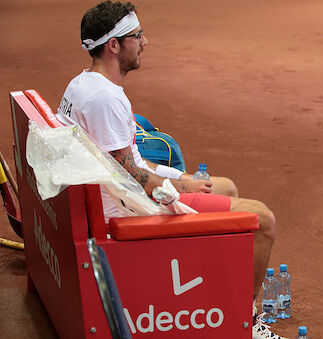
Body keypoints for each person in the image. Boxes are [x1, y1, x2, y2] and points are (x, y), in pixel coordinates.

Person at [56, 2, 286, 338]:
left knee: (227, 187)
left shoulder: (83, 84)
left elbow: (128, 160)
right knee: (264, 220)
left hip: (117, 195)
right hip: (126, 209)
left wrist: (183, 178)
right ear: (114, 45)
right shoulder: (106, 99)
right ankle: (246, 319)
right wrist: (178, 190)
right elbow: (130, 174)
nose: (145, 42)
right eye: (137, 36)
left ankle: (221, 296)